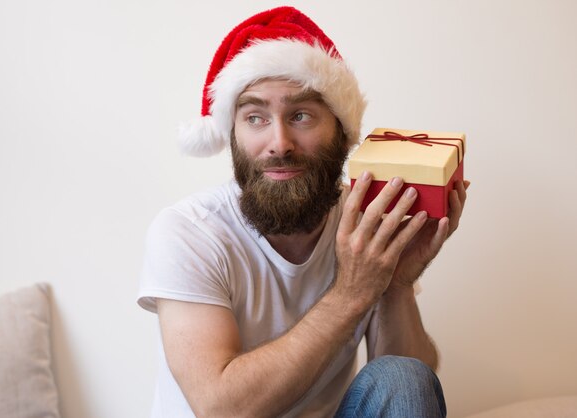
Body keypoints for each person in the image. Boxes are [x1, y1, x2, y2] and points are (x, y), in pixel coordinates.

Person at [138, 6, 468, 418]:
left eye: (301, 115)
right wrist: (352, 292)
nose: (279, 143)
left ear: (342, 131)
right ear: (232, 134)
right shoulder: (189, 231)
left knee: (402, 377)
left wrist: (395, 285)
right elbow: (222, 407)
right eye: (255, 117)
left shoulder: (364, 219)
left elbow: (409, 390)